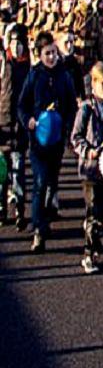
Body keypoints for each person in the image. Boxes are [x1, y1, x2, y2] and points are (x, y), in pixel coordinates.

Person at [17, 30, 78, 252]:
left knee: (52, 182)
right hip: (37, 141)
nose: (52, 57)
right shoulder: (34, 76)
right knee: (40, 182)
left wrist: (69, 128)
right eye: (47, 53)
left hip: (57, 141)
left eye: (54, 52)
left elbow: (71, 105)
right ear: (40, 55)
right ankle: (38, 230)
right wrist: (28, 121)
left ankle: (47, 217)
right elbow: (22, 105)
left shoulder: (64, 76)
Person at [71, 62, 103, 274]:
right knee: (93, 209)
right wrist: (87, 150)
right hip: (90, 168)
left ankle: (94, 232)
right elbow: (75, 137)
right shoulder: (86, 108)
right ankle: (88, 253)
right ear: (93, 84)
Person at [0, 23, 30, 229]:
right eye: (13, 42)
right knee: (2, 172)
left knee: (18, 170)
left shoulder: (28, 67)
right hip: (2, 122)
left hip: (20, 125)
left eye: (20, 43)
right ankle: (1, 207)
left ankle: (19, 207)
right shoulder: (4, 65)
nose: (17, 47)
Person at [57, 30, 86, 101]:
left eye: (71, 42)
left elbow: (80, 80)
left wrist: (83, 97)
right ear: (58, 42)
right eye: (66, 42)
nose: (69, 46)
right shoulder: (54, 61)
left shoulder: (74, 60)